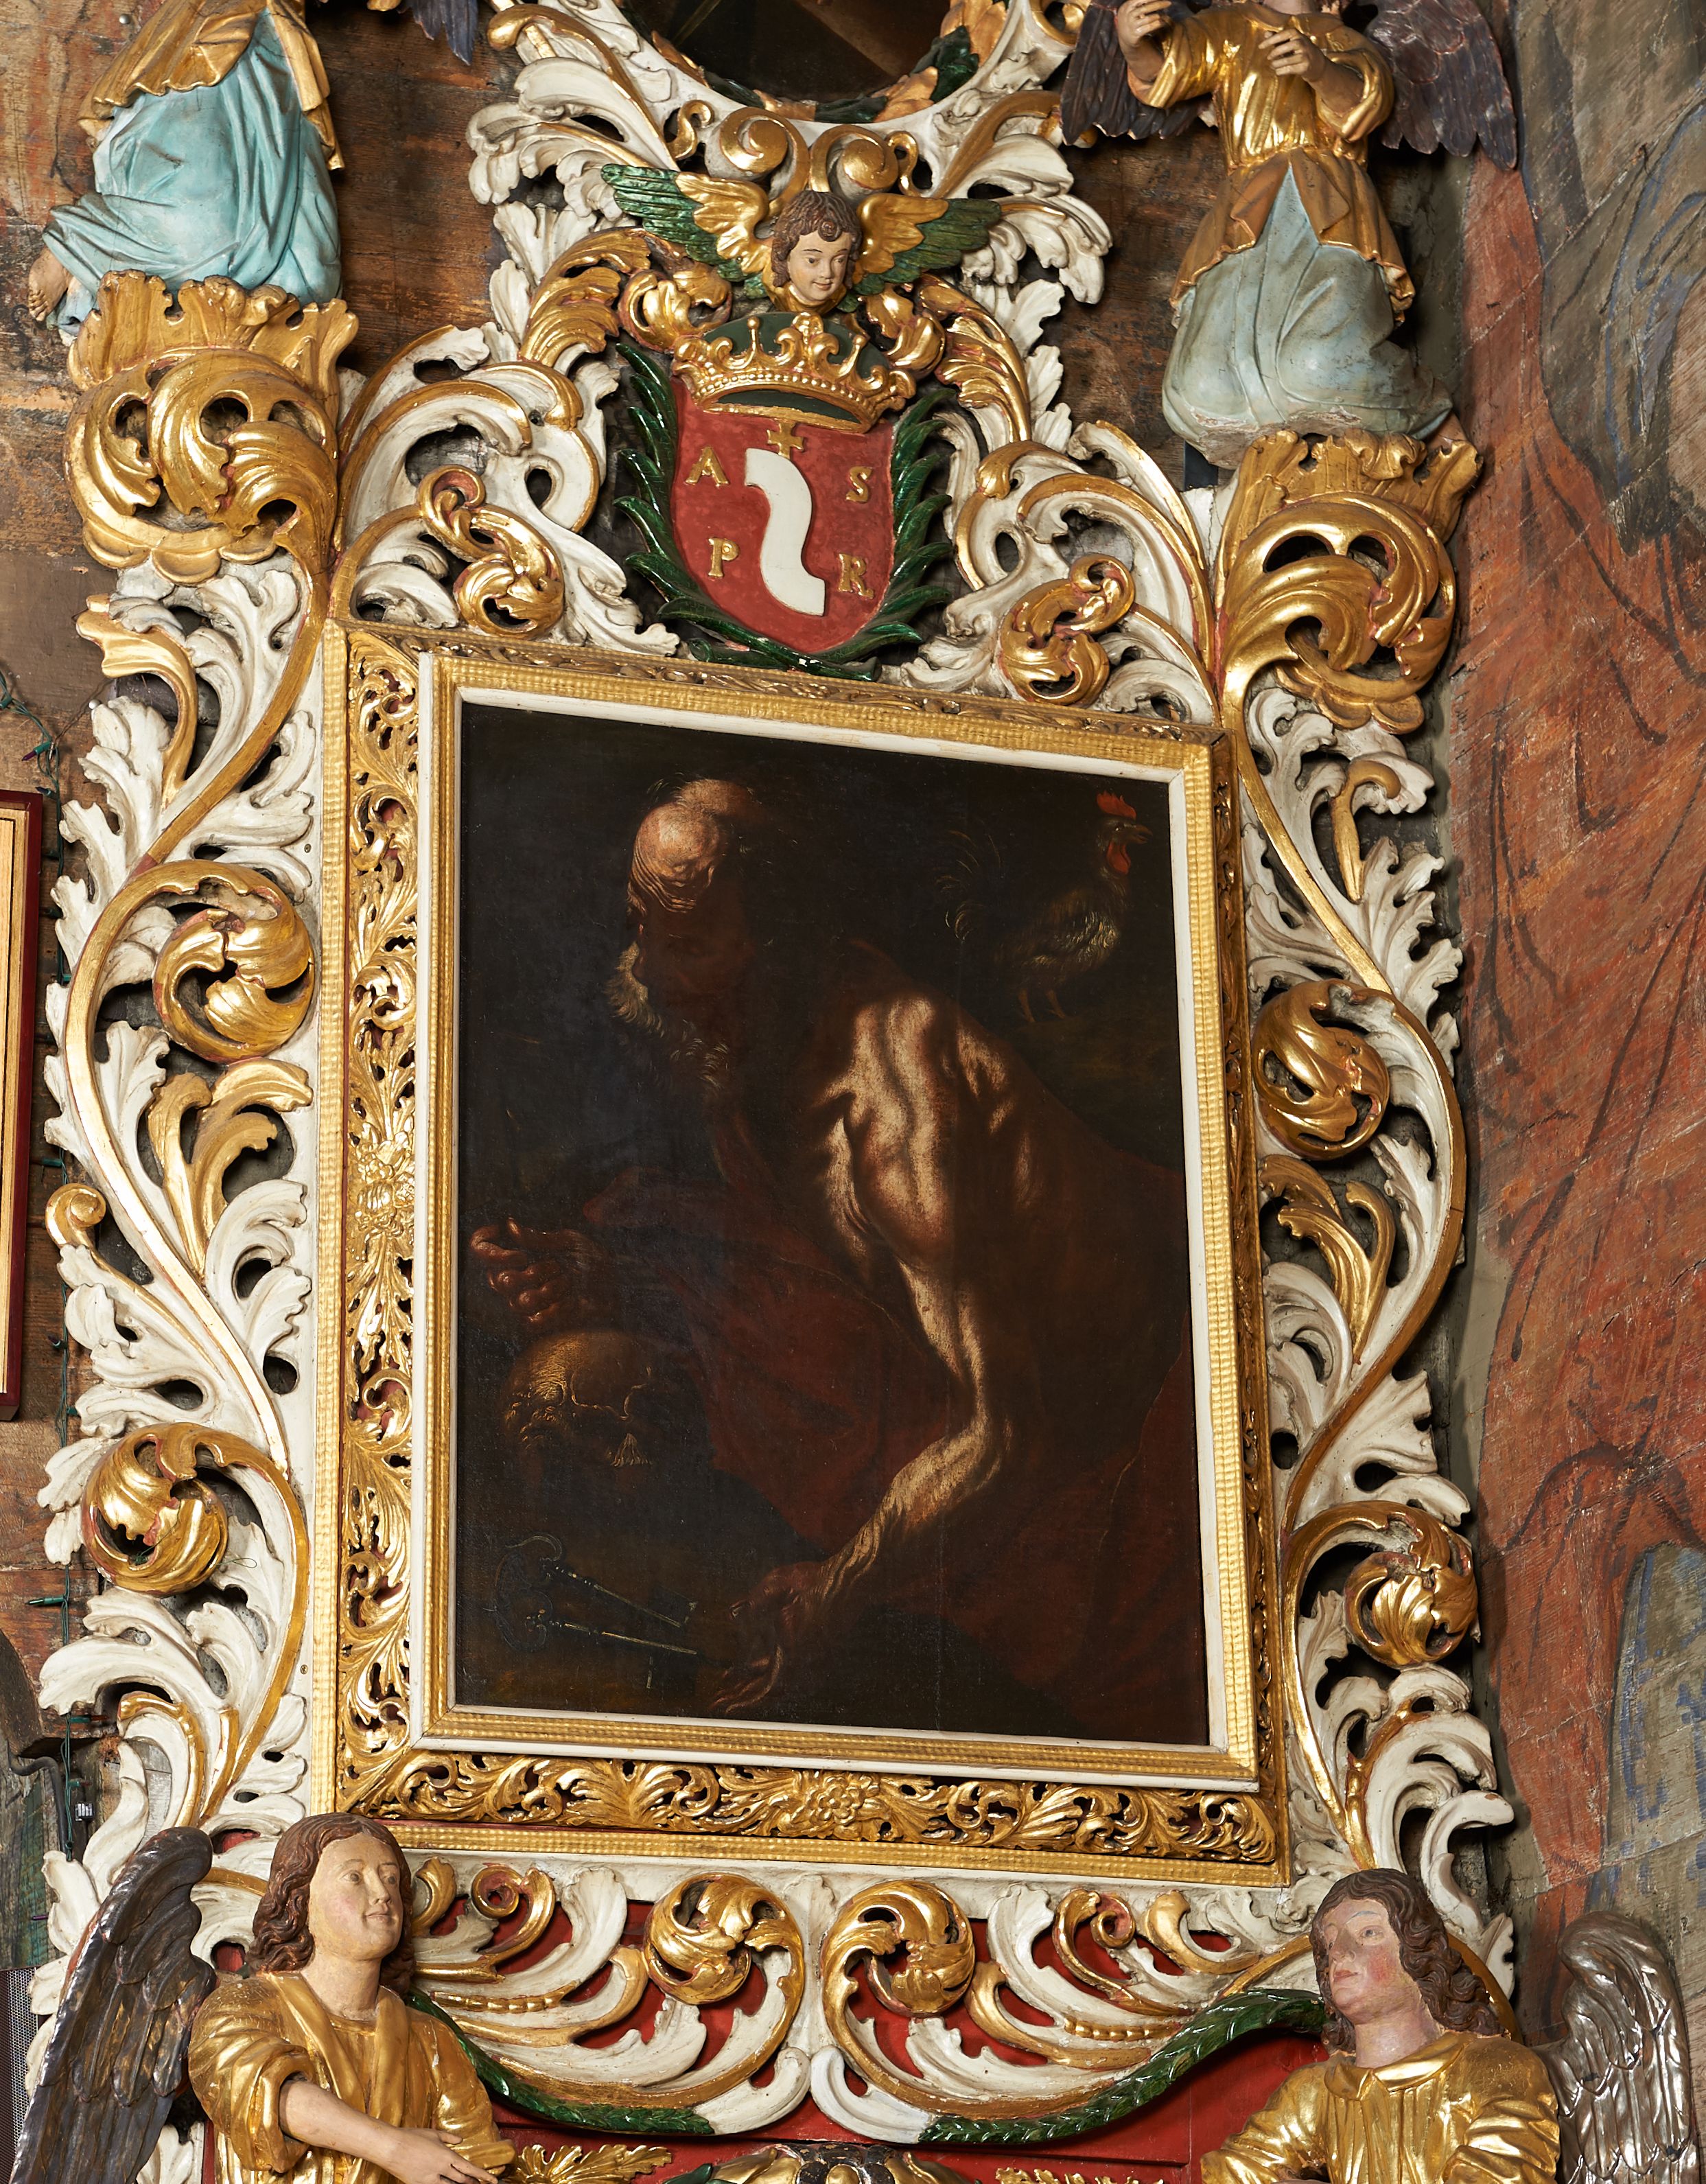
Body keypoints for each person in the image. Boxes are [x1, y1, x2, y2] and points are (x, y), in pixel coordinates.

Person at [472, 778, 1207, 1740]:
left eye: (688, 943)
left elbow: (1004, 1436)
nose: (647, 969)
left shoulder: (898, 1118)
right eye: (640, 925)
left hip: (1133, 1451)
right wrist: (616, 1273)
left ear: (774, 947)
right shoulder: (760, 1042)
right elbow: (809, 1267)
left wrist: (837, 1588)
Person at [1112, 0, 1450, 465]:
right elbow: (1169, 70)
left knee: (1319, 365)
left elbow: (1363, 106)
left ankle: (1425, 410)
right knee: (1202, 387)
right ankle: (1272, 453)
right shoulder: (1229, 29)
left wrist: (1319, 69)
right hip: (1245, 215)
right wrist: (1132, 44)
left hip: (1328, 206)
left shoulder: (1339, 37)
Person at [188, 1813, 514, 2184]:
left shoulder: (431, 2039)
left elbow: (475, 2160)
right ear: (301, 1901)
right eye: (355, 1877)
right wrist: (396, 2150)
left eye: (390, 1878)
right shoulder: (244, 2007)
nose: (383, 1893)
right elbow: (264, 2095)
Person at [1204, 1870, 1558, 2184]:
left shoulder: (1493, 2067)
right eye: (1330, 1943)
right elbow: (1234, 2169)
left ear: (1419, 1952)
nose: (1339, 1953)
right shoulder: (1315, 2091)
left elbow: (1502, 2176)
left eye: (1369, 1932)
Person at [25, 0, 342, 329]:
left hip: (278, 65)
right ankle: (77, 246)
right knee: (200, 235)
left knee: (312, 282)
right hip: (215, 51)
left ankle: (102, 270)